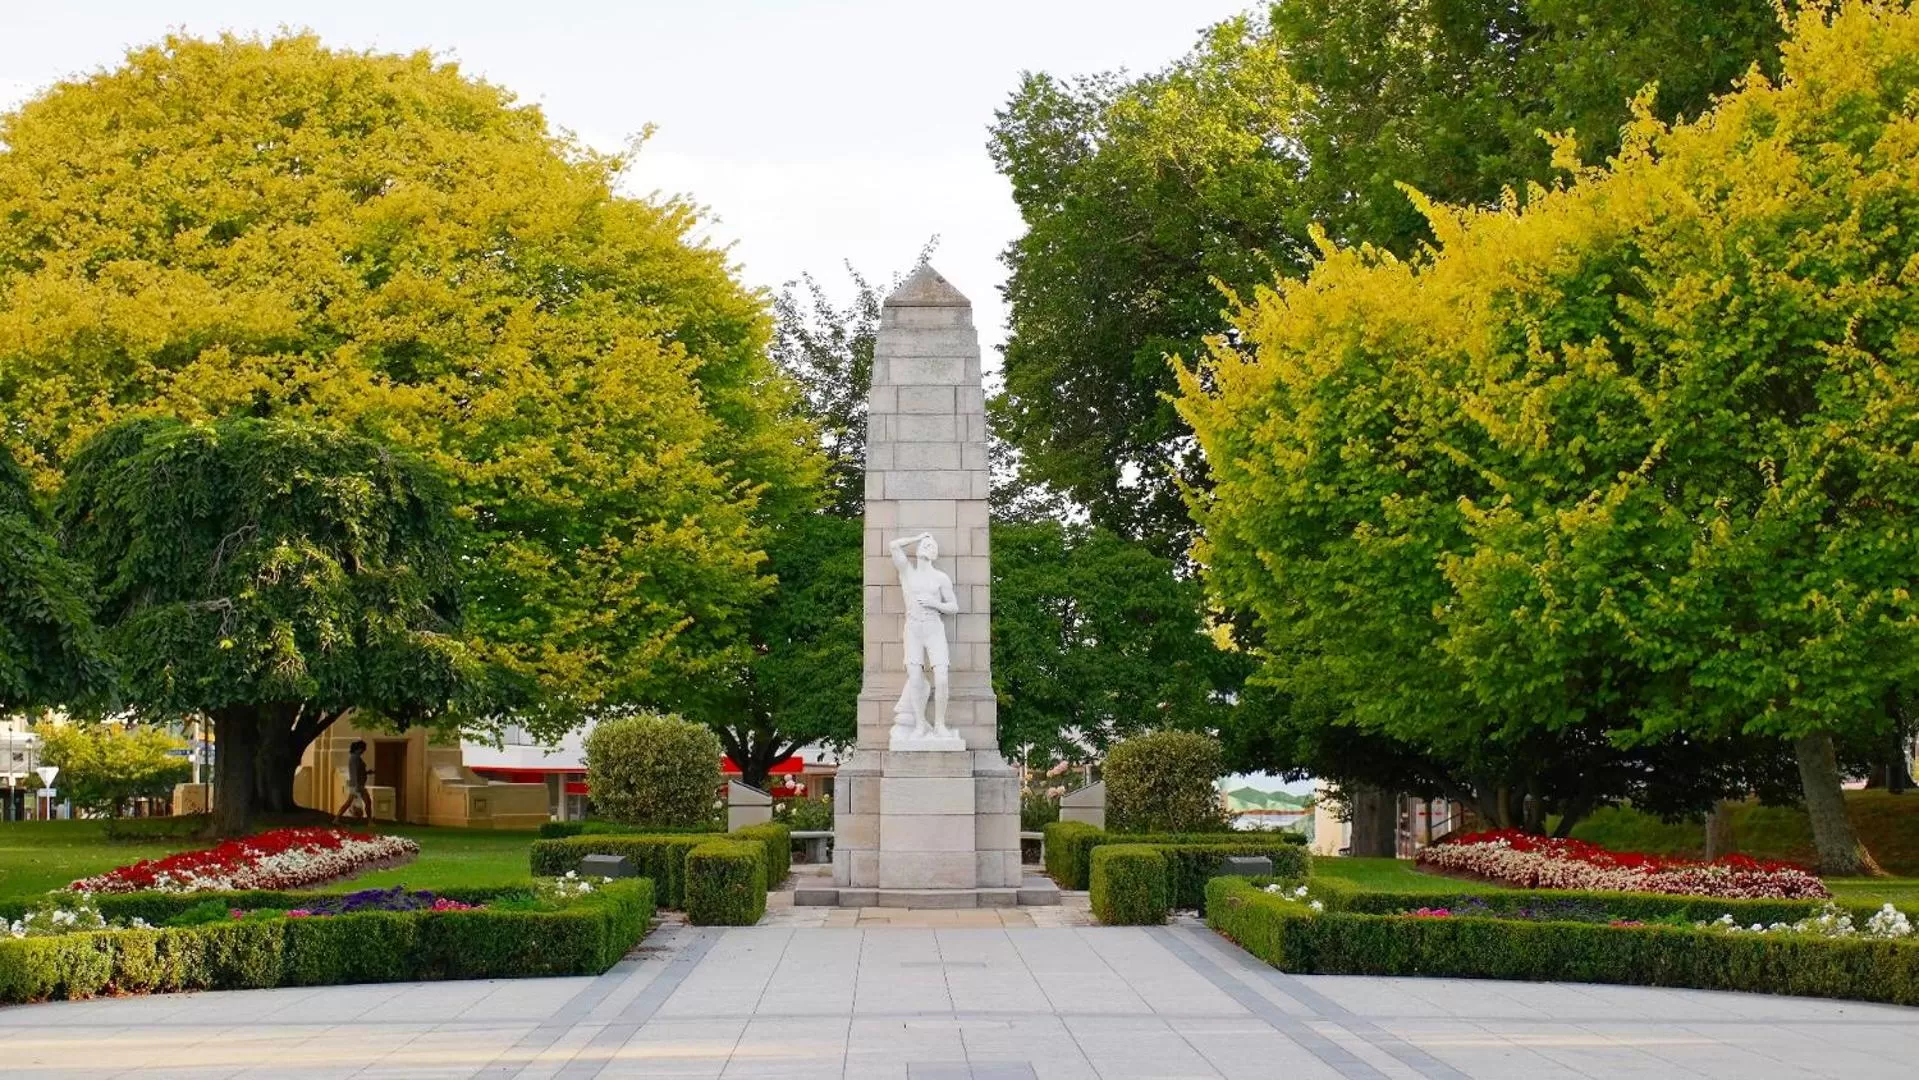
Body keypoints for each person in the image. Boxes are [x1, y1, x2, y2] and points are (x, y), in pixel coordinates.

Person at [889, 531, 959, 738]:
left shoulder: (940, 578)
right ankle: (920, 724)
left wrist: (935, 604)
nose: (926, 547)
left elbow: (954, 606)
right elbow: (894, 545)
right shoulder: (907, 572)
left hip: (933, 627)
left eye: (930, 545)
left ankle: (939, 725)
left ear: (935, 554)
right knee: (915, 677)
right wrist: (918, 537)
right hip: (913, 628)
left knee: (942, 678)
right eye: (924, 545)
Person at [334, 740, 373, 824]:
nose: (364, 750)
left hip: (357, 784)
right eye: (363, 748)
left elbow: (358, 771)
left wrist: (366, 772)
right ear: (358, 749)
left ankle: (337, 819)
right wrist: (357, 786)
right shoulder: (355, 758)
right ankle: (370, 821)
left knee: (353, 802)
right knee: (366, 802)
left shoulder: (355, 758)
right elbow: (354, 772)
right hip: (357, 785)